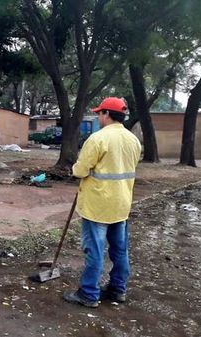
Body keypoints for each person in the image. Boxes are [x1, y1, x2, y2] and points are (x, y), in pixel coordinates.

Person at [63, 97, 142, 308]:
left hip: (98, 205)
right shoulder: (133, 140)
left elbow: (80, 169)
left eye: (99, 113)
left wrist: (77, 170)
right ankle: (118, 290)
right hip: (121, 204)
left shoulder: (98, 139)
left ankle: (88, 293)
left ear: (107, 114)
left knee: (94, 251)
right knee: (120, 250)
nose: (98, 117)